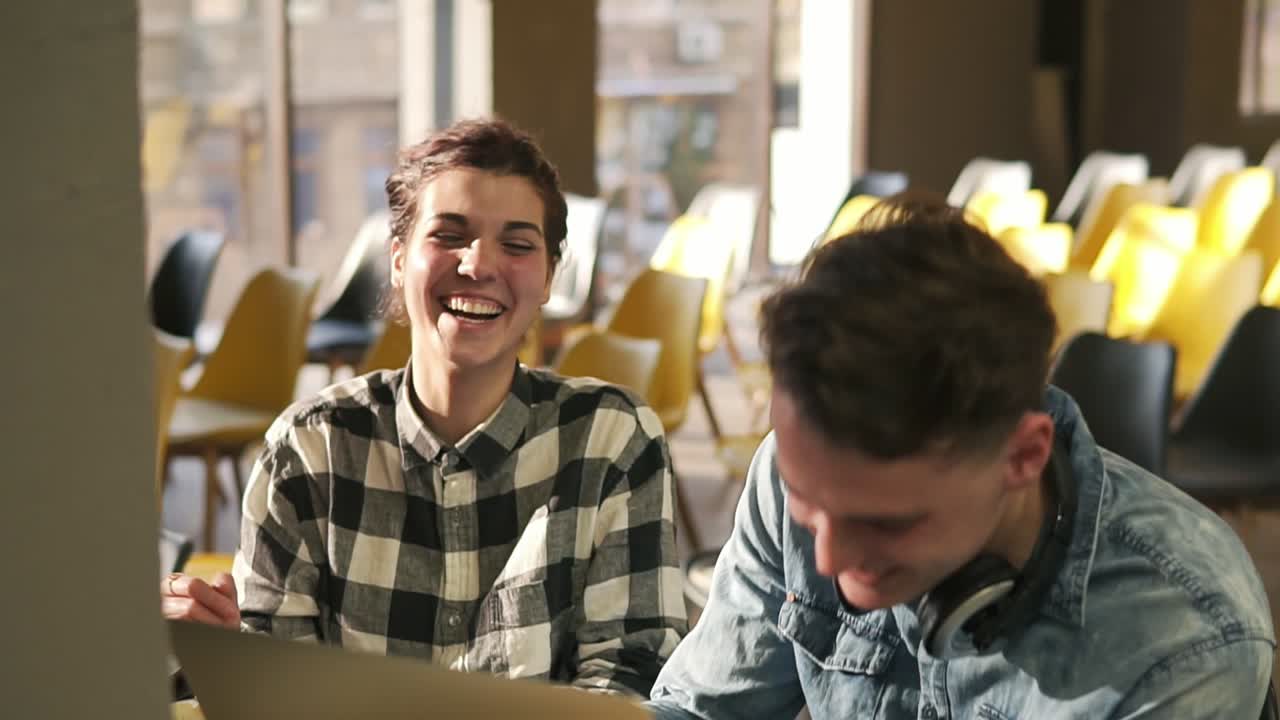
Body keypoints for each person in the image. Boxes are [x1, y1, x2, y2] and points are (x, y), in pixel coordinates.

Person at [647, 195, 1276, 718]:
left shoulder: (1184, 644)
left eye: (886, 522)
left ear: (1023, 457)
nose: (830, 559)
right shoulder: (796, 472)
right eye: (807, 506)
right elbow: (702, 707)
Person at [162, 117, 686, 697]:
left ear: (547, 281)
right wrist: (220, 652)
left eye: (516, 244)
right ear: (396, 259)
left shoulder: (611, 439)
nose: (479, 265)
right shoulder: (309, 450)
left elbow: (629, 674)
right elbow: (284, 693)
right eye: (449, 235)